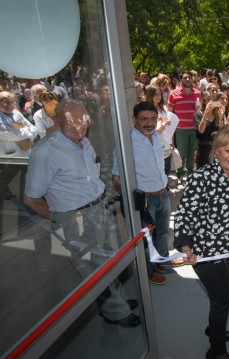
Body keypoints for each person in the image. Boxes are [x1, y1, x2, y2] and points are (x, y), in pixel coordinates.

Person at [24, 100, 138, 327]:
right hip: (75, 216)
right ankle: (116, 313)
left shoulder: (84, 142)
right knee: (93, 270)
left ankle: (116, 302)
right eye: (71, 122)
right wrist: (59, 219)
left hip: (99, 210)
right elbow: (32, 199)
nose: (78, 126)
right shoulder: (46, 150)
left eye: (82, 120)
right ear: (57, 123)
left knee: (107, 261)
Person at [174, 126, 229, 359]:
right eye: (228, 150)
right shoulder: (202, 177)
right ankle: (216, 352)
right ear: (216, 150)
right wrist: (186, 247)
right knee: (223, 298)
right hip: (207, 251)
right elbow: (185, 213)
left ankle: (214, 329)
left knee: (224, 293)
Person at [113, 101, 179, 285]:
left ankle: (162, 261)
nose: (149, 123)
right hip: (145, 201)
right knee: (146, 240)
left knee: (163, 233)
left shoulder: (155, 137)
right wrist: (131, 202)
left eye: (152, 119)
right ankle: (150, 272)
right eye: (144, 119)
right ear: (134, 119)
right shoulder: (126, 143)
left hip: (162, 195)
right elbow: (116, 178)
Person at [167, 71, 202, 182]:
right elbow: (169, 112)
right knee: (181, 153)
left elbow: (199, 110)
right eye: (185, 77)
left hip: (193, 128)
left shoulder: (197, 93)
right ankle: (180, 174)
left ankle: (190, 173)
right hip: (180, 129)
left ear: (192, 79)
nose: (187, 79)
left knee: (192, 152)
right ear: (181, 79)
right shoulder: (173, 93)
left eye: (189, 77)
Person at [146, 85, 179, 183]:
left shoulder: (163, 107)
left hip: (167, 142)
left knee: (167, 168)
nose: (158, 96)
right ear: (150, 95)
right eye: (155, 94)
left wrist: (172, 142)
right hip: (156, 143)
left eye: (160, 94)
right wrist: (165, 123)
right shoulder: (148, 110)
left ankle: (165, 188)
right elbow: (157, 129)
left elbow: (170, 125)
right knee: (158, 170)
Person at [0, 91, 39, 157]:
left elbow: (34, 129)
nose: (9, 105)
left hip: (26, 152)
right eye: (5, 103)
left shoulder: (16, 112)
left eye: (12, 102)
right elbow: (11, 134)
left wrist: (25, 130)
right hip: (9, 157)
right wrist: (26, 129)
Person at [194, 92, 225, 169]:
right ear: (204, 101)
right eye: (208, 100)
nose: (211, 103)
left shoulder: (218, 115)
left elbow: (221, 132)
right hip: (203, 148)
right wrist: (205, 114)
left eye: (213, 100)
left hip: (215, 148)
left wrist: (221, 118)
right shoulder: (198, 114)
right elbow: (201, 130)